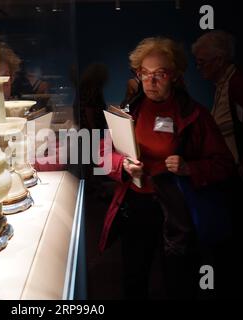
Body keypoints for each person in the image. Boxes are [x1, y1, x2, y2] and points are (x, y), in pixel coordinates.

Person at [98, 37, 235, 299]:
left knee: (178, 279)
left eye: (159, 74)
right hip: (138, 205)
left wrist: (189, 168)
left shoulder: (195, 115)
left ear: (175, 75)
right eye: (144, 73)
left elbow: (224, 165)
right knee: (134, 276)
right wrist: (124, 166)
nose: (150, 81)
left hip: (176, 208)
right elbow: (103, 155)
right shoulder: (130, 109)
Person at [192, 30, 243, 244]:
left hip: (242, 177)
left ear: (219, 60)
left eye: (202, 63)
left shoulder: (240, 85)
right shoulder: (224, 85)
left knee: (242, 236)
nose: (199, 69)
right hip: (231, 173)